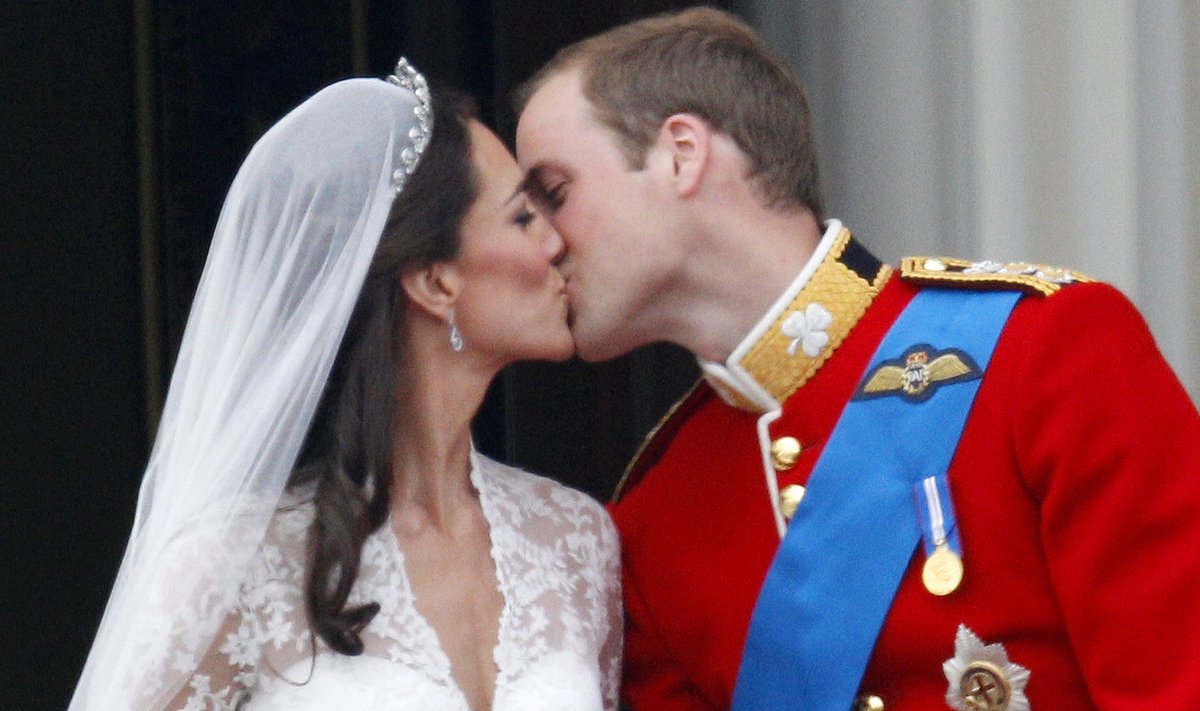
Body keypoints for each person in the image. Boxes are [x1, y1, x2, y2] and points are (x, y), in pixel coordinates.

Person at [514, 7, 1200, 711]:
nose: (540, 245)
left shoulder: (1044, 348)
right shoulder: (655, 519)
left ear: (681, 153)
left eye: (555, 195)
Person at [69, 60, 620, 711]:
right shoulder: (236, 562)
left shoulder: (577, 539)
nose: (558, 242)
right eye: (525, 219)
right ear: (436, 282)